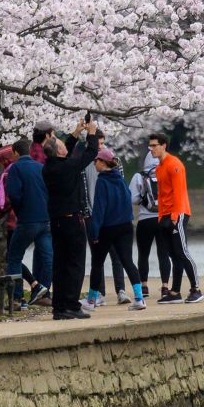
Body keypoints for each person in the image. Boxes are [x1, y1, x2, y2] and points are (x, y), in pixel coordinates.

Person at [42, 118, 99, 320]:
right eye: (61, 145)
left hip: (57, 221)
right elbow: (91, 153)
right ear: (59, 152)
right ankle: (72, 304)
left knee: (60, 264)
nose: (64, 147)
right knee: (75, 264)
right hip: (71, 221)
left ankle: (59, 307)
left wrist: (75, 134)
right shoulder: (67, 167)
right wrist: (92, 133)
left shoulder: (49, 167)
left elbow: (62, 150)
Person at [83, 148, 146, 311]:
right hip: (125, 226)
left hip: (107, 228)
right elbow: (128, 201)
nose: (94, 163)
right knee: (127, 261)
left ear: (103, 163)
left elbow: (99, 209)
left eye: (96, 160)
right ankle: (139, 298)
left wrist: (94, 232)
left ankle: (90, 301)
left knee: (97, 263)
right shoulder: (120, 179)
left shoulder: (102, 181)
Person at [149, 133, 204, 304]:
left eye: (154, 145)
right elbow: (162, 194)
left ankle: (196, 289)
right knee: (173, 254)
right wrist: (160, 217)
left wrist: (174, 217)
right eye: (150, 146)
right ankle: (175, 292)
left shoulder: (175, 164)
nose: (151, 149)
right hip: (164, 215)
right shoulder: (159, 168)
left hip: (178, 213)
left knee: (182, 252)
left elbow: (179, 192)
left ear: (164, 145)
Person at [5, 139, 52, 309]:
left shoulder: (16, 168)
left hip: (27, 219)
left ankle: (17, 299)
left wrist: (19, 212)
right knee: (47, 257)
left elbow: (14, 194)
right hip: (45, 219)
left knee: (14, 257)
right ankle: (44, 293)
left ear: (16, 152)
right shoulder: (40, 167)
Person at [82, 128, 127, 306]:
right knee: (97, 257)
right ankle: (99, 293)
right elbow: (83, 189)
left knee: (117, 255)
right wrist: (86, 213)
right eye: (97, 143)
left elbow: (121, 187)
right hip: (92, 214)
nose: (101, 147)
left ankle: (121, 290)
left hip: (111, 216)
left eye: (102, 143)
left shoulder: (114, 161)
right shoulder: (85, 162)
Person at [129, 152, 170, 299]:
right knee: (163, 253)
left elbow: (132, 198)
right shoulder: (166, 173)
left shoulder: (138, 176)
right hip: (163, 218)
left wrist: (143, 199)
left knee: (143, 254)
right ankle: (165, 286)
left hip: (145, 220)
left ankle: (144, 286)